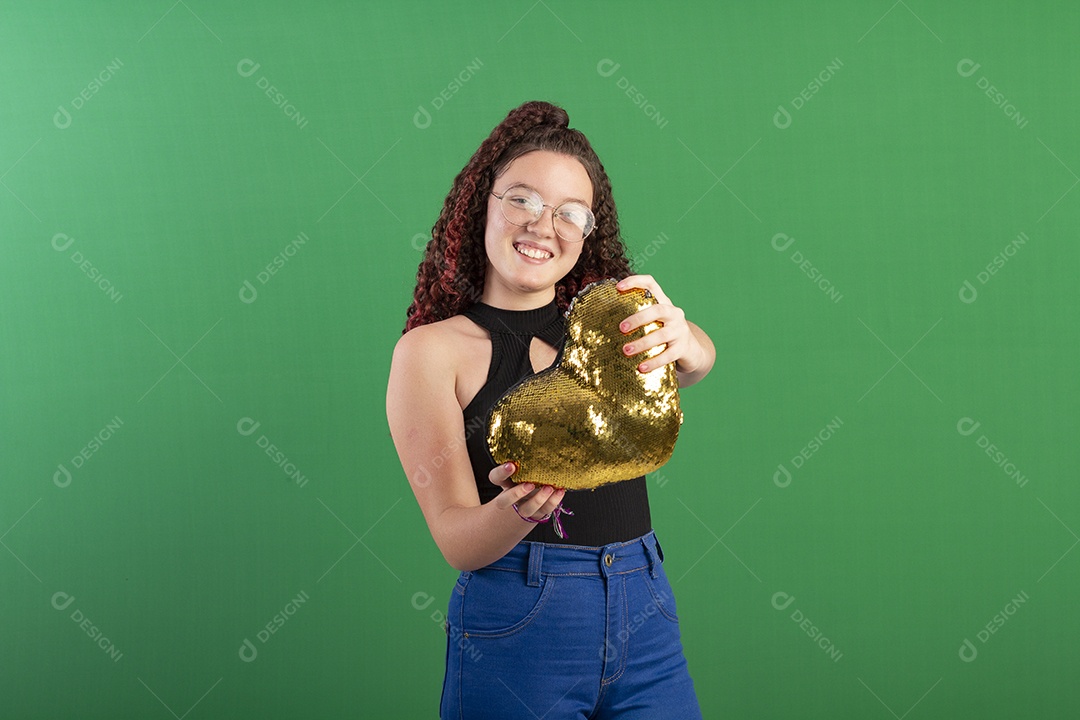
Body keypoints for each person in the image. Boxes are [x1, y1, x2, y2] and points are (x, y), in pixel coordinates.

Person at [386, 100, 716, 719]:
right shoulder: (430, 353)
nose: (544, 224)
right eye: (522, 199)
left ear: (589, 232)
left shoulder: (605, 326)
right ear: (481, 202)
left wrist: (690, 345)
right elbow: (457, 540)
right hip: (520, 619)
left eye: (571, 213)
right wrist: (518, 510)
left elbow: (695, 361)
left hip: (644, 601)